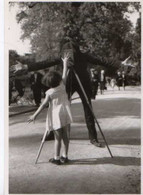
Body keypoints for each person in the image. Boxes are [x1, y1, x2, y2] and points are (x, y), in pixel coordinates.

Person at [28, 54, 73, 165]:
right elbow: (64, 75)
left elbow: (43, 105)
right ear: (58, 80)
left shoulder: (50, 92)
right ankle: (65, 156)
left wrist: (34, 115)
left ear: (48, 83)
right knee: (66, 136)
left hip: (56, 115)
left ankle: (56, 158)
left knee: (57, 138)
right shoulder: (62, 86)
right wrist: (65, 63)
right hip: (65, 112)